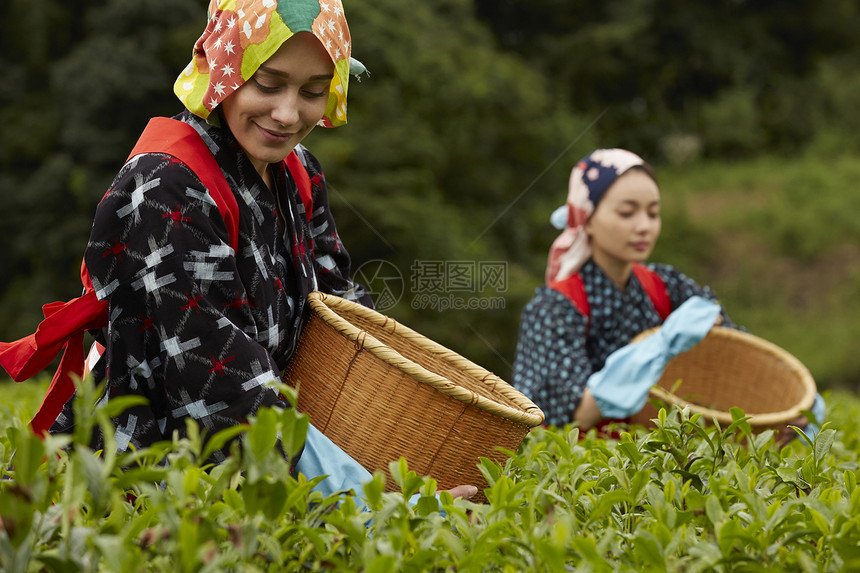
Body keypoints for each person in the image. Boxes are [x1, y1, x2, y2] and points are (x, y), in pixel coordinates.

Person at [0, 0, 475, 501]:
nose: (288, 114)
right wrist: (374, 500)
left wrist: (407, 440)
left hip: (270, 455)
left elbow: (346, 321)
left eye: (313, 92)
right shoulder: (167, 187)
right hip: (138, 469)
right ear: (225, 69)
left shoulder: (299, 173)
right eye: (267, 85)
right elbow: (219, 379)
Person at [513, 148, 818, 441]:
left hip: (667, 459)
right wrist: (658, 347)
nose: (644, 226)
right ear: (587, 219)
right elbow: (568, 415)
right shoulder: (555, 307)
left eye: (653, 213)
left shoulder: (666, 285)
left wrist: (788, 405)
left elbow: (733, 352)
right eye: (627, 213)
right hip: (589, 473)